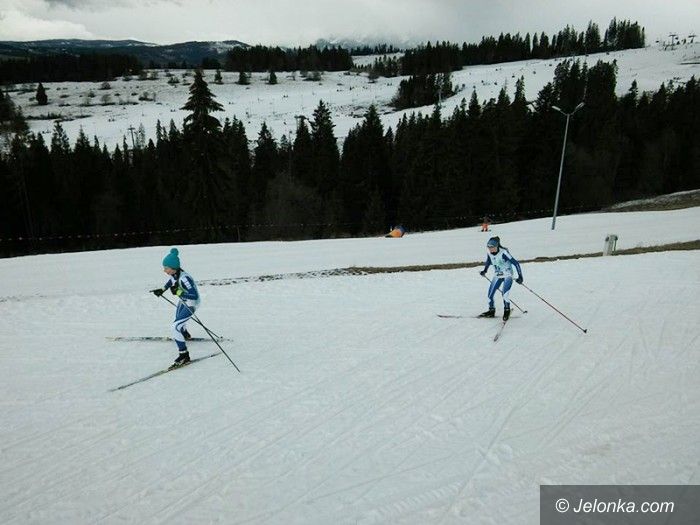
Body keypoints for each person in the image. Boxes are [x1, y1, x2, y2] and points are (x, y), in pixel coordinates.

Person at [150, 248, 201, 367]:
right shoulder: (175, 274)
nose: (164, 270)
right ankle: (184, 334)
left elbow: (194, 295)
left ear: (173, 267)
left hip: (191, 304)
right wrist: (162, 290)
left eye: (166, 268)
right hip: (183, 301)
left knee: (175, 327)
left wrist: (178, 292)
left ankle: (184, 355)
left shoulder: (184, 278)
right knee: (178, 320)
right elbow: (170, 282)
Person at [478, 236, 523, 321]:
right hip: (497, 275)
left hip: (507, 275)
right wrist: (485, 270)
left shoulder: (504, 253)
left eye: (492, 247)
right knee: (489, 295)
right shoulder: (489, 253)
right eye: (489, 247)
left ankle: (507, 310)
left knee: (504, 295)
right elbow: (489, 261)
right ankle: (491, 310)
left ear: (497, 246)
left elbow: (516, 263)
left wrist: (520, 276)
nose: (490, 249)